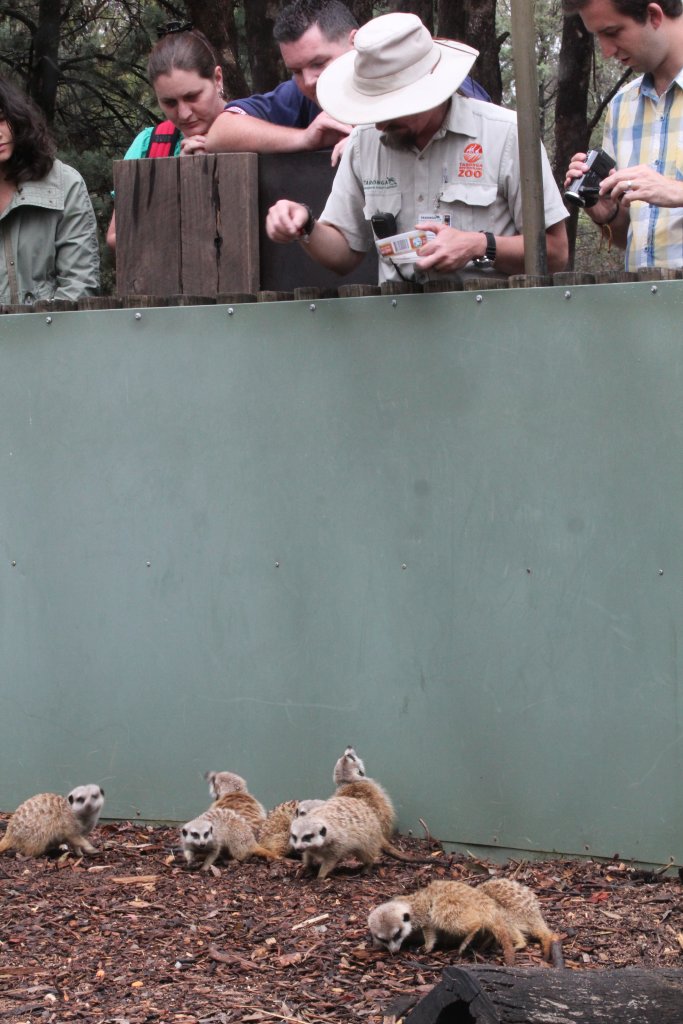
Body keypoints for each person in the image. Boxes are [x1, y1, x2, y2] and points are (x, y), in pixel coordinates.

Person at [265, 13, 569, 285]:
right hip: (401, 331)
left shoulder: (505, 135)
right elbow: (344, 253)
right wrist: (305, 225)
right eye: (372, 110)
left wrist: (479, 245)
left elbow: (555, 252)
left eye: (391, 111)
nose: (380, 126)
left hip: (493, 328)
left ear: (430, 90)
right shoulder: (363, 143)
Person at [205, 0, 490, 163]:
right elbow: (221, 132)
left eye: (319, 63)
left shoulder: (433, 79)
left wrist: (368, 138)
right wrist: (304, 139)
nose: (308, 81)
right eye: (295, 70)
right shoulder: (300, 93)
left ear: (354, 42)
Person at [563, 0, 683, 269]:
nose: (605, 51)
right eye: (598, 37)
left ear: (653, 15)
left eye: (612, 32)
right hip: (641, 303)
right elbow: (626, 239)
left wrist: (676, 191)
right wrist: (608, 213)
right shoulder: (622, 106)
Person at [106, 26, 229, 249]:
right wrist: (176, 179)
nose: (183, 113)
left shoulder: (258, 127)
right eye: (169, 103)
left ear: (217, 79)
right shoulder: (149, 145)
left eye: (192, 96)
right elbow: (115, 238)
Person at [0, 76, 99, 304]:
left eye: (2, 120)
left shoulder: (64, 184)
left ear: (17, 117)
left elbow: (79, 286)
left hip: (53, 334)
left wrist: (42, 334)